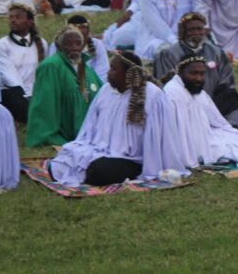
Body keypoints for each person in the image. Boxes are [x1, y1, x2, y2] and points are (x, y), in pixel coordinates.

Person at [48, 50, 185, 186]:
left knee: (98, 171)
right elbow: (89, 127)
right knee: (59, 163)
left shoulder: (153, 95)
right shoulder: (105, 90)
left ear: (128, 74)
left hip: (132, 159)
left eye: (113, 69)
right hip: (98, 150)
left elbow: (163, 136)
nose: (108, 73)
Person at [153, 12, 238, 131]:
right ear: (183, 32)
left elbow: (227, 80)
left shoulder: (216, 53)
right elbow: (166, 84)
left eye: (199, 29)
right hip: (183, 104)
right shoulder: (169, 54)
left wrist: (211, 100)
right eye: (192, 29)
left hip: (217, 102)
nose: (196, 33)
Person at [164, 54, 238, 168]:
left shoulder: (199, 92)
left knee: (236, 138)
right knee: (223, 148)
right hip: (183, 144)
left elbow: (217, 120)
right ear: (180, 73)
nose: (198, 78)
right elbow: (172, 132)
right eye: (193, 73)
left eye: (202, 74)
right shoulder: (173, 93)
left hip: (206, 136)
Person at [25, 26, 103, 147]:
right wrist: (47, 134)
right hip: (66, 134)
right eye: (69, 44)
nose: (75, 48)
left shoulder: (84, 66)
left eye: (78, 43)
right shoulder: (51, 66)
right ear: (59, 46)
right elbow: (45, 105)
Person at [0, 4, 47, 123]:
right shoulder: (1, 46)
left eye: (18, 17)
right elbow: (10, 77)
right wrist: (26, 97)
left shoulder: (41, 44)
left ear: (30, 21)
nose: (13, 21)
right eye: (10, 17)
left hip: (35, 91)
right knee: (15, 99)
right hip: (13, 92)